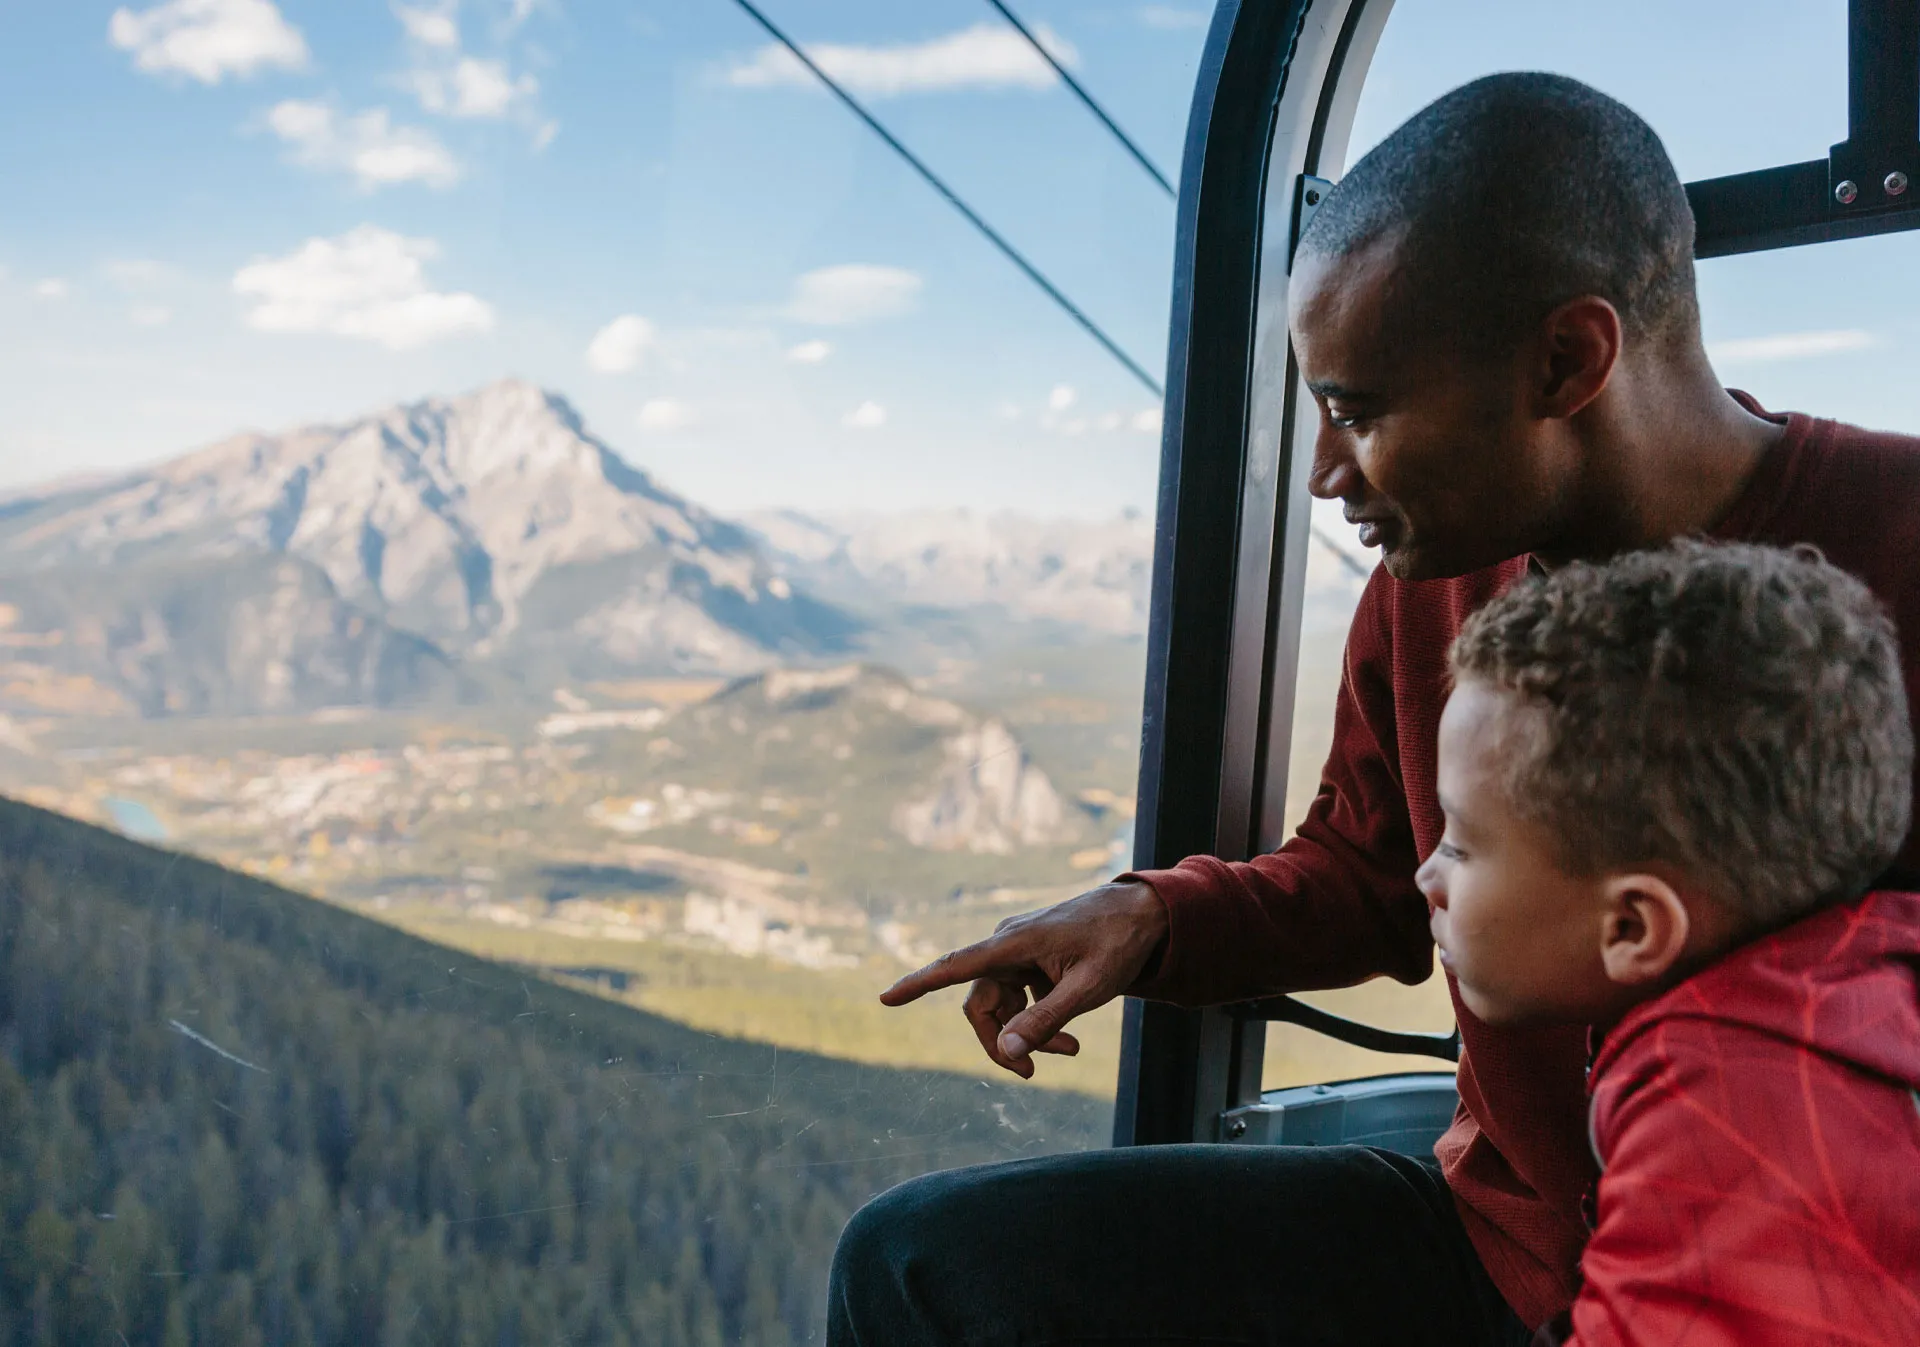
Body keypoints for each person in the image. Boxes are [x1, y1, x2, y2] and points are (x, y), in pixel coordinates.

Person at [828, 71, 1920, 1346]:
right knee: (920, 1268)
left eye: (1358, 413)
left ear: (1569, 360)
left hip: (1813, 1276)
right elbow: (1371, 872)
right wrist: (1152, 920)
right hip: (1496, 1254)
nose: (1325, 475)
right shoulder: (1440, 572)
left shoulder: (1897, 545)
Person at [1425, 541, 1920, 1346]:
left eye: (1461, 845)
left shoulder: (1727, 1117)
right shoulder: (1858, 992)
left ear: (1633, 926)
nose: (1426, 877)